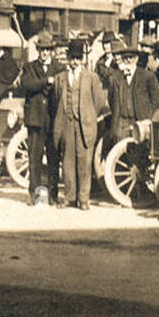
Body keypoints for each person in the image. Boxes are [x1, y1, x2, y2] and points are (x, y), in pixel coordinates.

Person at [53, 40, 110, 210]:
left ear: (82, 59)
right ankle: (70, 197)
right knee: (68, 161)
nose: (75, 61)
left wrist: (89, 115)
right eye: (72, 58)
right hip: (67, 124)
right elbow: (56, 99)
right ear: (67, 58)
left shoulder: (91, 77)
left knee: (84, 161)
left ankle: (83, 199)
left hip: (85, 124)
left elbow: (99, 101)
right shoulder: (60, 78)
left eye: (78, 58)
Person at [19, 32, 61, 205]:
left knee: (53, 158)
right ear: (38, 50)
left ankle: (52, 196)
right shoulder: (29, 67)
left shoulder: (59, 68)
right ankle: (35, 195)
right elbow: (26, 85)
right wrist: (46, 81)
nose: (45, 53)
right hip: (35, 119)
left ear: (52, 51)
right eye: (42, 49)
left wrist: (46, 82)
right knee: (34, 160)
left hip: (52, 119)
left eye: (48, 50)